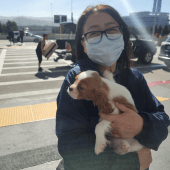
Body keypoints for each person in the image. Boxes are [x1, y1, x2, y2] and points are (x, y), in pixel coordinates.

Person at [55, 4, 170, 170]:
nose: (104, 37)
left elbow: (162, 118)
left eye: (111, 29)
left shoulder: (135, 78)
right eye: (93, 32)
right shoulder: (77, 79)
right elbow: (70, 145)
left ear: (122, 35)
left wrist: (141, 124)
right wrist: (131, 163)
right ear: (84, 44)